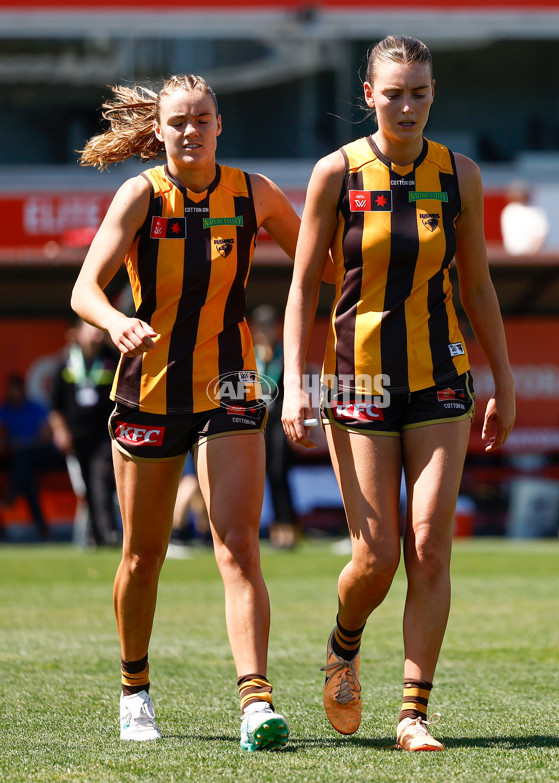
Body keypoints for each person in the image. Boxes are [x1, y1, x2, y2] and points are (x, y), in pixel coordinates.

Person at [281, 35, 515, 751]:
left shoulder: (459, 176)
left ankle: (413, 711)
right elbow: (301, 288)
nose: (406, 105)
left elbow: (476, 285)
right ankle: (344, 643)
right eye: (393, 94)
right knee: (377, 554)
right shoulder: (335, 173)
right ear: (369, 97)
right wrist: (295, 382)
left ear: (433, 94)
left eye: (418, 92)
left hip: (442, 379)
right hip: (358, 379)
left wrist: (503, 376)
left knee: (430, 547)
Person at [71, 74, 300, 749]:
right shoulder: (140, 196)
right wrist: (115, 321)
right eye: (178, 121)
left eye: (203, 118)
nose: (191, 130)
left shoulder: (253, 193)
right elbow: (86, 288)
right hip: (149, 388)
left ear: (220, 124)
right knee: (144, 554)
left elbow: (320, 256)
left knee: (238, 544)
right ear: (160, 130)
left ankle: (255, 701)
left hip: (230, 383)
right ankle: (134, 690)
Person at [48, 318, 121, 548]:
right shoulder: (65, 362)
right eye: (91, 329)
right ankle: (95, 534)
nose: (96, 335)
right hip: (76, 437)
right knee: (88, 484)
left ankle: (108, 532)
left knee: (101, 476)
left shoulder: (113, 359)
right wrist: (61, 432)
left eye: (100, 330)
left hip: (106, 434)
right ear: (78, 332)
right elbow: (55, 406)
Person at [250, 304, 298, 549]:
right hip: (256, 425)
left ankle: (287, 529)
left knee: (279, 474)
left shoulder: (284, 353)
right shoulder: (249, 355)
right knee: (256, 477)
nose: (266, 331)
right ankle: (266, 530)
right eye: (262, 326)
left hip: (279, 423)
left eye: (270, 325)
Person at [0, 374, 59, 539]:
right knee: (26, 477)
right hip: (19, 461)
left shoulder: (36, 408)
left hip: (42, 456)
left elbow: (46, 437)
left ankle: (11, 496)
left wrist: (23, 444)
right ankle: (41, 527)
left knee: (24, 457)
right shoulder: (5, 410)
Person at [500, 179, 549, 256]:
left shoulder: (508, 211)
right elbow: (541, 237)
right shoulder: (535, 212)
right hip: (527, 258)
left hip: (513, 257)